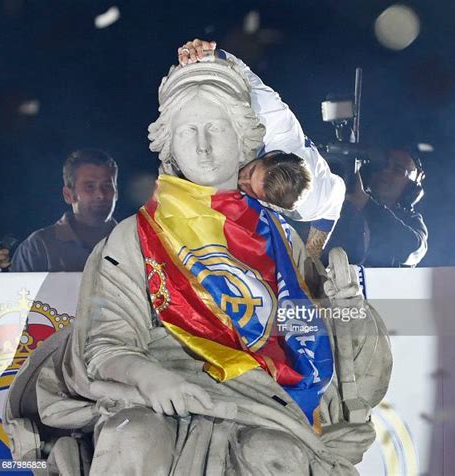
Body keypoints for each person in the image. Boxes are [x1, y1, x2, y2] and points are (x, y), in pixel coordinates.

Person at [22, 46, 391, 475]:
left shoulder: (281, 239)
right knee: (132, 437)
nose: (202, 145)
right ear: (170, 146)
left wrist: (346, 310)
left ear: (243, 140)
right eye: (187, 131)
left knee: (277, 455)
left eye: (216, 128)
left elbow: (328, 354)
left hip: (263, 400)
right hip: (155, 390)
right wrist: (151, 378)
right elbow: (106, 344)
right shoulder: (135, 236)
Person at [178, 40, 346, 260]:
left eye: (250, 188)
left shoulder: (311, 205)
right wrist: (205, 53)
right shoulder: (269, 114)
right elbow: (237, 69)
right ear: (271, 155)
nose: (242, 181)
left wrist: (310, 261)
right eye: (249, 174)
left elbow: (332, 206)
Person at [10, 149, 118, 272]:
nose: (100, 194)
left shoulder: (136, 244)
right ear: (68, 195)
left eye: (107, 186)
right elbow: (17, 290)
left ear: (116, 192)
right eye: (90, 186)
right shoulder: (38, 248)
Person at [324, 148, 428, 267]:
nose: (386, 171)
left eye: (398, 170)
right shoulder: (344, 207)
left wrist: (364, 203)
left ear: (411, 187)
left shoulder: (412, 220)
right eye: (383, 165)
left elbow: (412, 249)